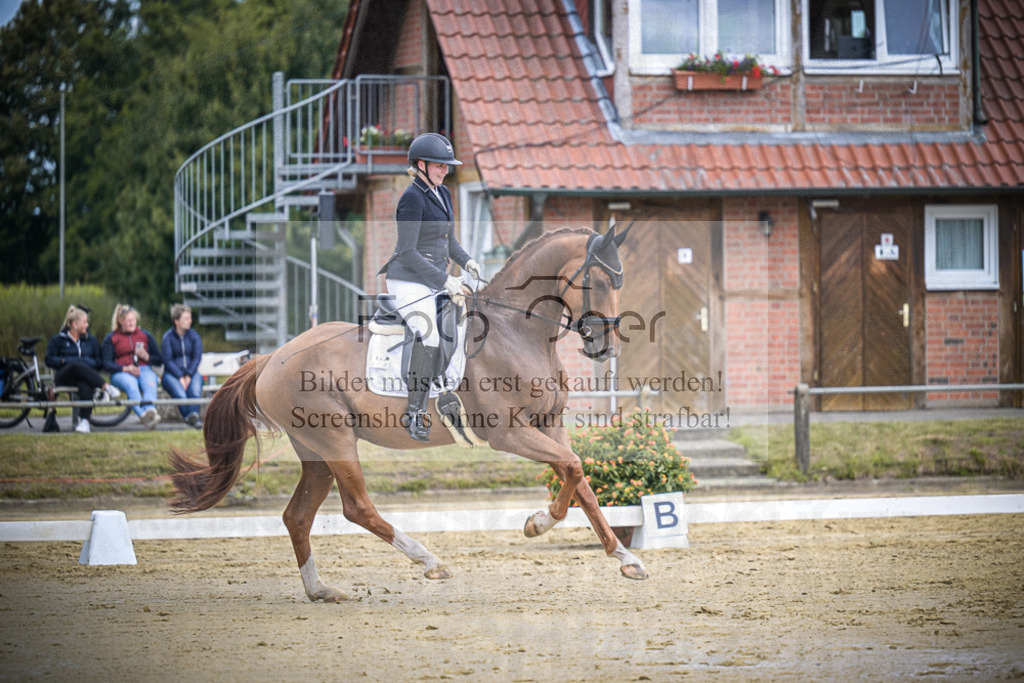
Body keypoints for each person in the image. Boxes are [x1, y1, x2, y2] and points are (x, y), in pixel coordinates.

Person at [377, 132, 480, 442]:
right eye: (439, 165)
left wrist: (467, 261)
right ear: (421, 165)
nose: (444, 170)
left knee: (464, 322)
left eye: (447, 166)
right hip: (407, 279)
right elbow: (408, 251)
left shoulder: (443, 193)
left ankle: (446, 386)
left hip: (433, 278)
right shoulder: (412, 198)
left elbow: (448, 241)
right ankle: (414, 413)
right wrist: (444, 280)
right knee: (429, 332)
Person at [44, 305, 121, 434]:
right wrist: (64, 361)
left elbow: (99, 362)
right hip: (64, 377)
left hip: (85, 377)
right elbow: (49, 360)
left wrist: (83, 362)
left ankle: (85, 422)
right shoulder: (58, 340)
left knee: (85, 385)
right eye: (84, 322)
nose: (87, 325)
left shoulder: (91, 340)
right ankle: (106, 387)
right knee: (75, 365)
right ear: (75, 325)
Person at [102, 304, 163, 429]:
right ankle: (143, 415)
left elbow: (159, 360)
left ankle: (150, 411)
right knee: (131, 385)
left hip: (144, 369)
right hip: (121, 372)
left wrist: (147, 357)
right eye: (127, 320)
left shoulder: (145, 335)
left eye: (133, 319)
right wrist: (125, 368)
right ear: (120, 321)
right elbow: (106, 364)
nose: (131, 323)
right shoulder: (111, 338)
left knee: (150, 384)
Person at [161, 303, 204, 429]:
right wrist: (180, 376)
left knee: (195, 391)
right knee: (180, 394)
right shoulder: (167, 337)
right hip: (171, 375)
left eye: (190, 318)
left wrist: (188, 375)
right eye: (186, 318)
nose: (189, 321)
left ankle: (192, 417)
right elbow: (168, 361)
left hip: (192, 373)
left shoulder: (194, 336)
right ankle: (193, 418)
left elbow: (196, 358)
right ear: (176, 321)